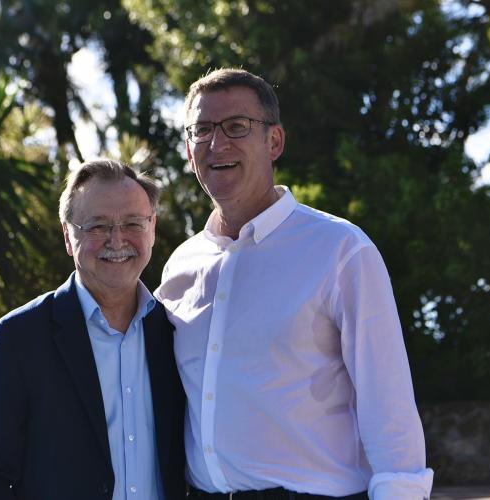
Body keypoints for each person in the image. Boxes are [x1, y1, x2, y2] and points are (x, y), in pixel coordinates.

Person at [155, 68, 433, 499]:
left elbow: (389, 407)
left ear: (274, 142)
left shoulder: (341, 250)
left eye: (236, 126)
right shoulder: (179, 267)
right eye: (202, 129)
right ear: (190, 150)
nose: (217, 143)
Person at [0, 159, 185, 500]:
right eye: (97, 226)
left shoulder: (176, 332)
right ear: (68, 235)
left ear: (152, 227)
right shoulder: (15, 340)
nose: (117, 239)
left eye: (132, 223)